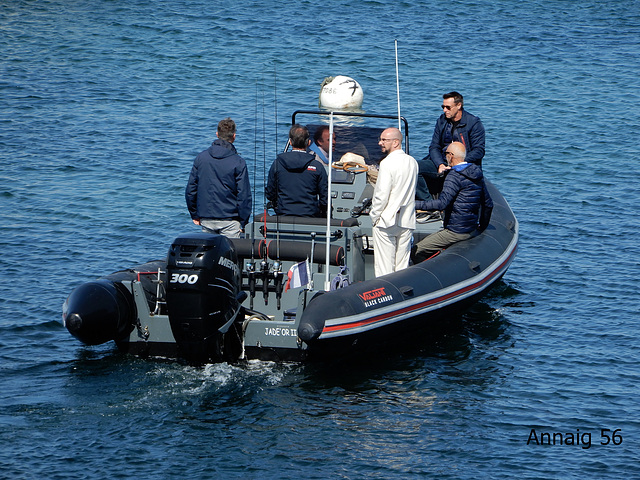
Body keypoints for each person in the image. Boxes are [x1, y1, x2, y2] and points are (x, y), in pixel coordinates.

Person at [413, 141, 493, 263]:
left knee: (416, 250)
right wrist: (482, 226)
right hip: (470, 228)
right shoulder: (476, 172)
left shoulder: (454, 176)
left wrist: (413, 205)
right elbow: (488, 204)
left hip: (456, 231)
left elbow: (442, 204)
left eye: (445, 154)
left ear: (450, 155)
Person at [185, 118, 252, 238]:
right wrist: (244, 221)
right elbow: (244, 195)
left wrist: (194, 214)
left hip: (206, 217)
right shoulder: (238, 162)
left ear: (217, 134)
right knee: (230, 253)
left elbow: (191, 190)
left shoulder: (201, 158)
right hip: (230, 219)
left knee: (210, 253)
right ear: (234, 136)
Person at [369, 127, 418, 277]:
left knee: (384, 268)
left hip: (386, 222)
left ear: (396, 142)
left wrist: (374, 216)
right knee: (402, 266)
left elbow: (381, 196)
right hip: (407, 220)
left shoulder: (387, 163)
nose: (380, 143)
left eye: (384, 140)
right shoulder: (413, 162)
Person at [418, 91, 485, 198]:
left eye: (448, 107)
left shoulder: (473, 123)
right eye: (443, 107)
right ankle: (429, 203)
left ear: (459, 106)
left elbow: (479, 150)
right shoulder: (442, 120)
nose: (445, 110)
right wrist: (440, 164)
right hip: (443, 161)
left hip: (463, 164)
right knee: (415, 167)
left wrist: (458, 163)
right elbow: (434, 146)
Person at [266, 124, 328, 217]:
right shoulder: (317, 166)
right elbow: (325, 198)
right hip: (310, 216)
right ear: (308, 142)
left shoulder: (277, 164)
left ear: (290, 142)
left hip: (283, 215)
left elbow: (270, 194)